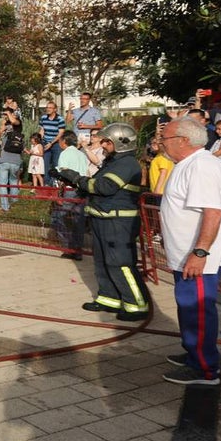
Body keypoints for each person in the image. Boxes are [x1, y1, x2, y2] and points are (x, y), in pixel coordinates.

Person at [157, 116, 221, 386]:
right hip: (185, 254)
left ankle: (205, 368)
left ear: (183, 141)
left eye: (164, 138)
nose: (160, 142)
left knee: (197, 310)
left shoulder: (201, 166)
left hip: (198, 258)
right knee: (188, 308)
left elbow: (213, 212)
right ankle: (194, 354)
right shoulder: (188, 164)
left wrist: (200, 252)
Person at [54, 123, 150, 320]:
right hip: (102, 217)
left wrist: (75, 177)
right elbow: (93, 185)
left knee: (120, 263)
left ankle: (137, 305)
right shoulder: (113, 162)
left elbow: (104, 187)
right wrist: (70, 179)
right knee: (102, 262)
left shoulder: (127, 164)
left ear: (120, 142)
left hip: (117, 222)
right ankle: (109, 298)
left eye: (107, 141)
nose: (103, 144)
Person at [52, 131, 88, 259]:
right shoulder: (82, 155)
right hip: (83, 190)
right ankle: (78, 250)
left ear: (64, 141)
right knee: (78, 221)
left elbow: (63, 173)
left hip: (69, 190)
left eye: (60, 140)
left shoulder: (65, 154)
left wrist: (59, 193)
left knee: (57, 218)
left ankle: (69, 247)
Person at [0, 108, 25, 211]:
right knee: (13, 180)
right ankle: (14, 201)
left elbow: (14, 121)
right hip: (13, 161)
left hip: (7, 160)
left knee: (3, 184)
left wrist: (8, 113)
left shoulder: (17, 122)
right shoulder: (7, 125)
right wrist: (3, 123)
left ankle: (5, 206)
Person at [39, 102, 66, 185]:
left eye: (50, 107)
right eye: (47, 107)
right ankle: (46, 183)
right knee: (45, 164)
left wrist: (51, 143)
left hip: (56, 144)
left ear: (55, 109)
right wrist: (39, 142)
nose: (48, 109)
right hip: (45, 143)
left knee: (56, 164)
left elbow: (61, 133)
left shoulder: (60, 119)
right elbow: (42, 130)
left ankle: (55, 182)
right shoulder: (43, 118)